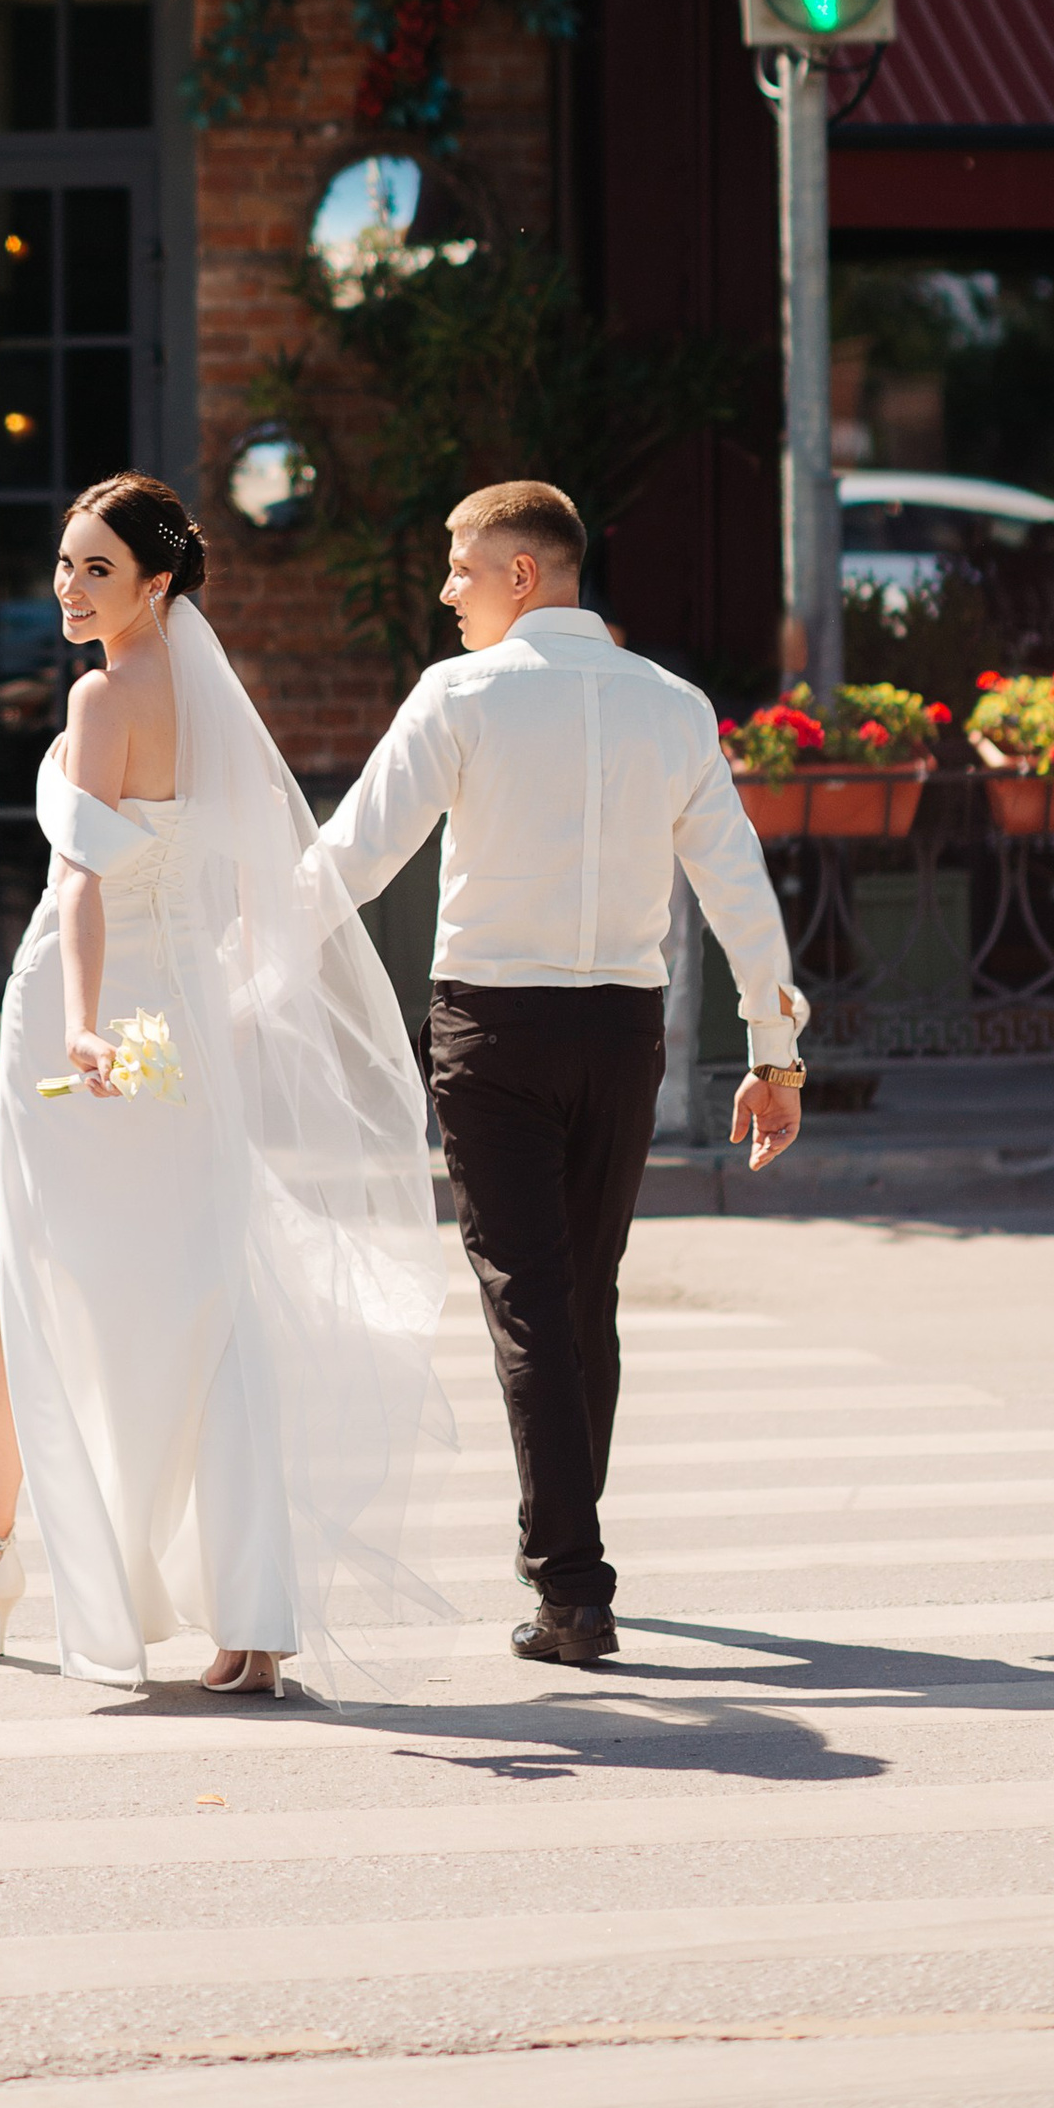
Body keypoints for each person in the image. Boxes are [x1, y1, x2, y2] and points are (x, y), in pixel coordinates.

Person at [0, 472, 447, 1696]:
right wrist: (216, 1005)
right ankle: (248, 1620)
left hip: (90, 1016)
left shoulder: (104, 695)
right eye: (63, 563)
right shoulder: (213, 707)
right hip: (182, 1020)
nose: (69, 587)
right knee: (209, 1302)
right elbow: (274, 886)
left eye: (96, 569)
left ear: (157, 582)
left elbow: (81, 885)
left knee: (37, 1284)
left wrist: (80, 1028)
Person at [306, 477, 808, 1674]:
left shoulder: (461, 694)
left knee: (532, 1303)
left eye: (460, 568)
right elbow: (736, 886)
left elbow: (353, 859)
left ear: (521, 574)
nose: (446, 592)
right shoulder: (674, 705)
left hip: (493, 1029)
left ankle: (572, 1587)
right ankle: (565, 1549)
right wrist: (774, 1054)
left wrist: (229, 970)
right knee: (582, 1297)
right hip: (624, 1033)